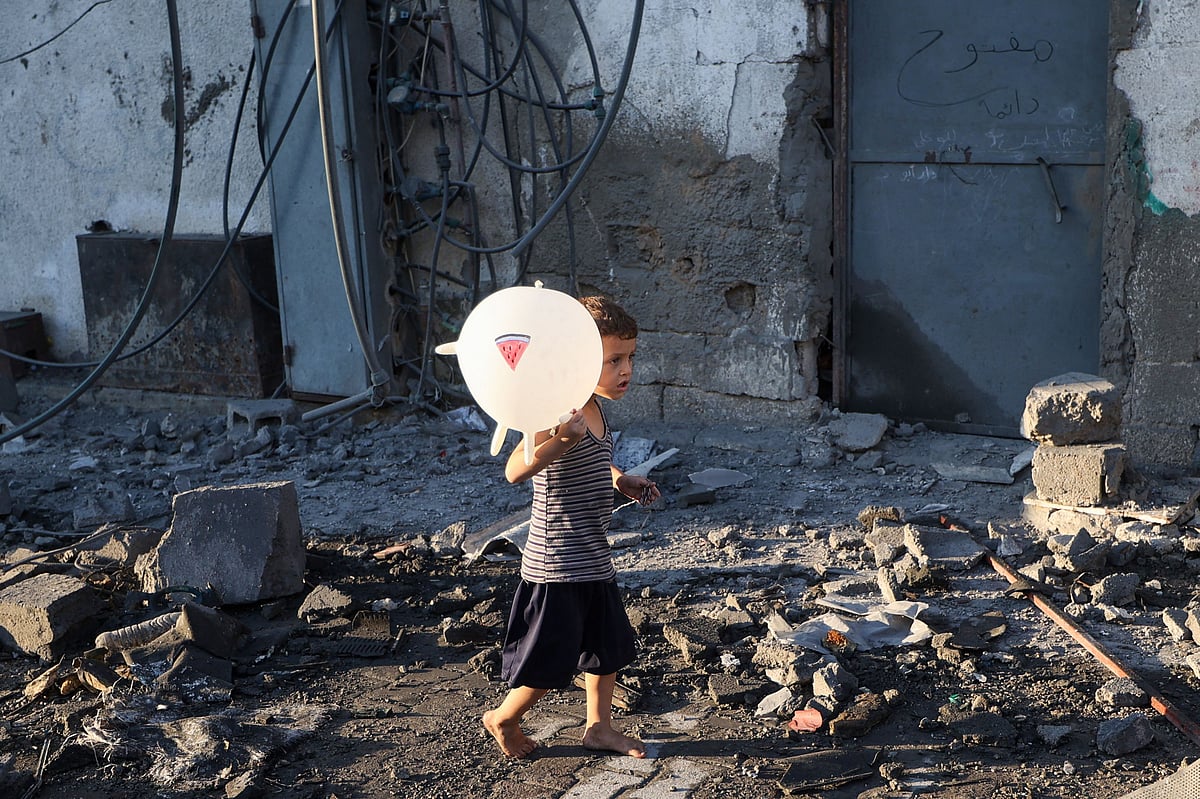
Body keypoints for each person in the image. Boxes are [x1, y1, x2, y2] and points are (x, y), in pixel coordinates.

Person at [482, 295, 661, 759]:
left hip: (592, 554)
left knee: (607, 649)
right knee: (550, 659)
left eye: (630, 358)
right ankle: (504, 717)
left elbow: (596, 461)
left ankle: (598, 728)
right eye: (613, 360)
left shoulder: (597, 410)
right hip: (556, 561)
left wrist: (623, 480)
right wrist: (560, 438)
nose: (626, 370)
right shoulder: (553, 408)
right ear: (577, 358)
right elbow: (516, 471)